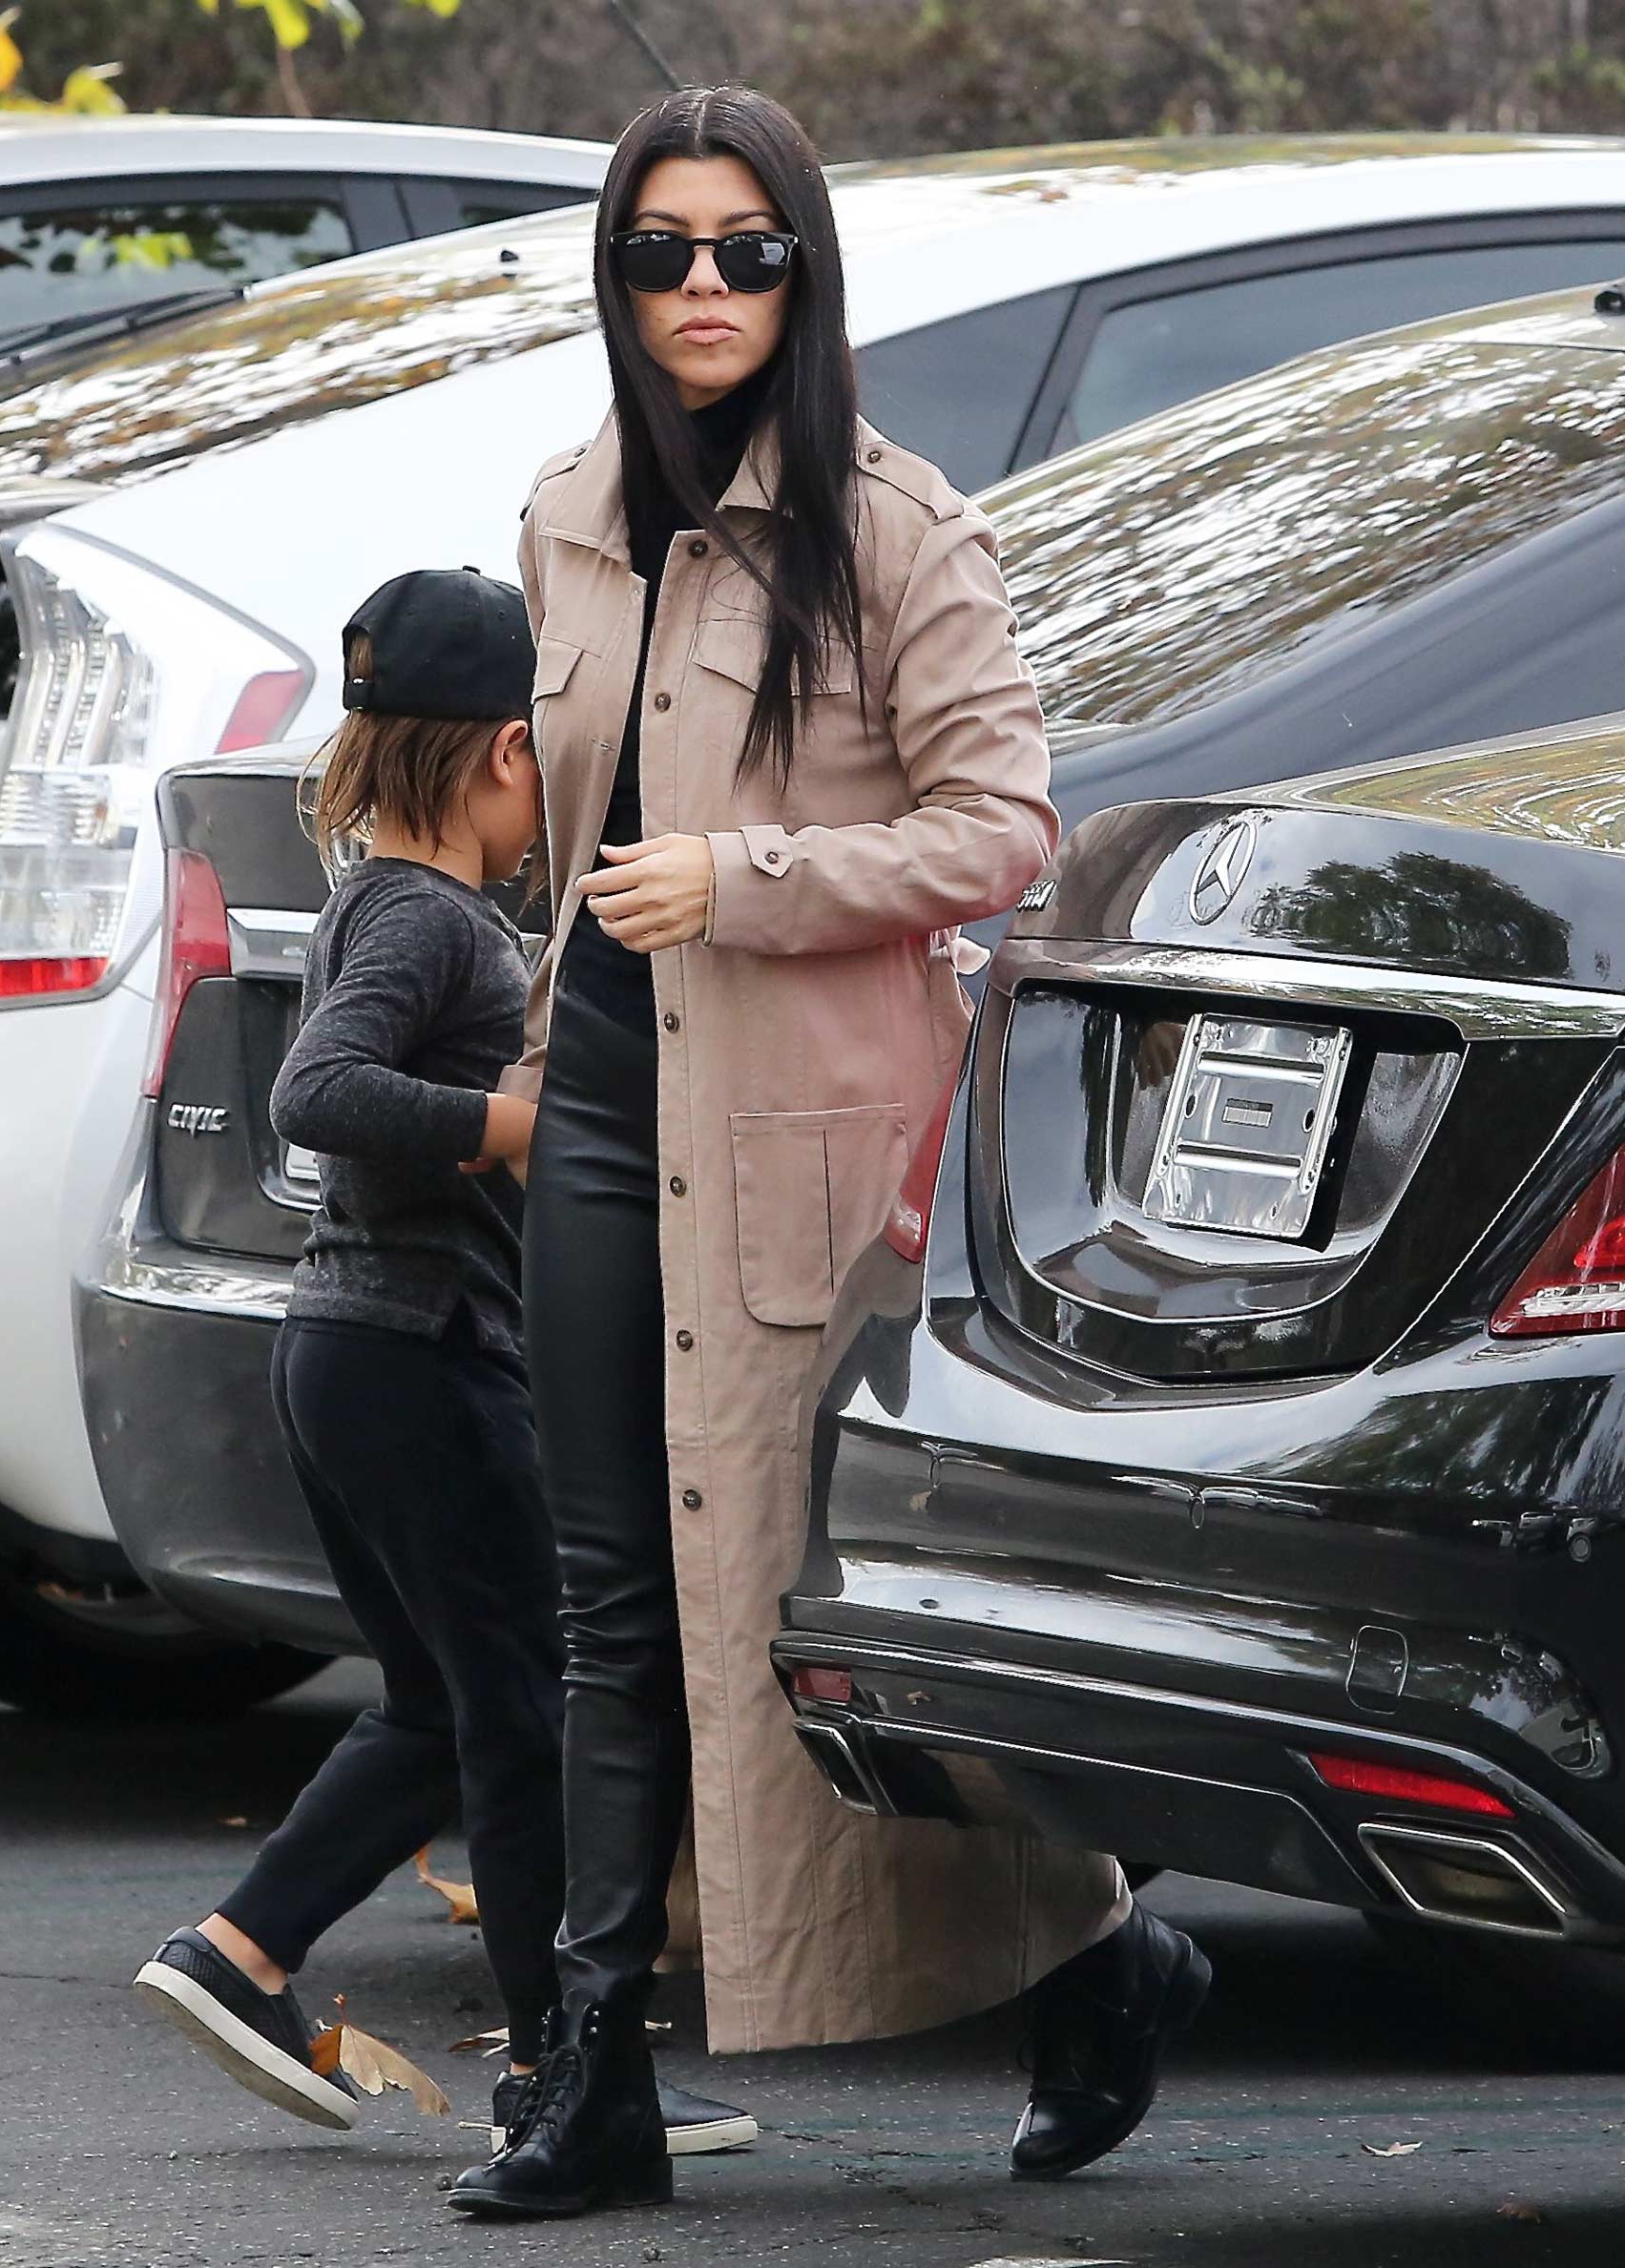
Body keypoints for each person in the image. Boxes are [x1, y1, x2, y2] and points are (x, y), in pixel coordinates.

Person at [449, 88, 1210, 2224]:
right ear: (616, 281)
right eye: (662, 251)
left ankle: (1105, 1952)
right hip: (605, 1101)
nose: (703, 289)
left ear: (808, 271)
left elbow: (1006, 830)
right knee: (610, 1603)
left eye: (746, 249)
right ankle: (592, 2070)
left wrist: (752, 868)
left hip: (801, 1141)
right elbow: (579, 832)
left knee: (819, 1613)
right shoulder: (566, 513)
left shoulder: (894, 525)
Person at [132, 568, 752, 2160]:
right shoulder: (426, 917)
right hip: (419, 1357)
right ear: (498, 756)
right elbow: (319, 1092)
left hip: (344, 1352)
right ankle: (564, 2065)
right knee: (536, 1706)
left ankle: (240, 1953)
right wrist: (519, 1125)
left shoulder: (369, 897)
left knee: (438, 1698)